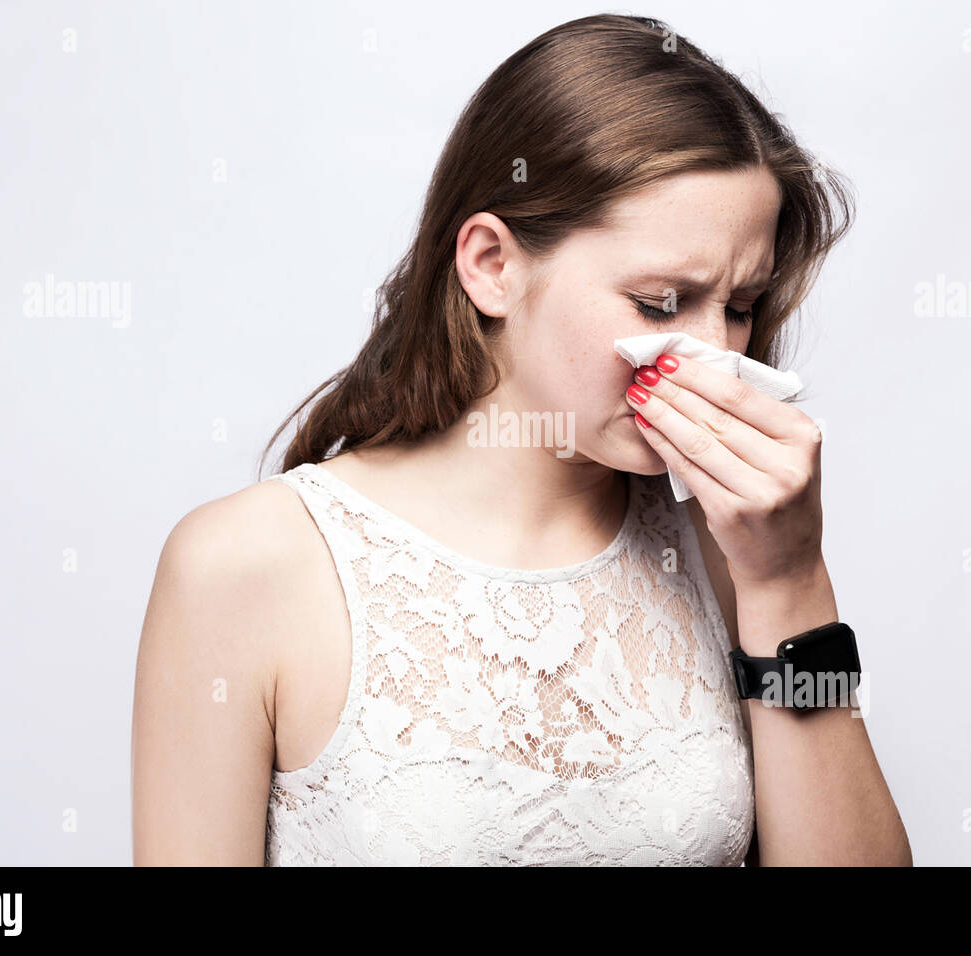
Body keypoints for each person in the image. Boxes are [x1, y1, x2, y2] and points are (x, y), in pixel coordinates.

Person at [131, 13, 912, 866]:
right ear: (493, 266)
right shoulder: (245, 564)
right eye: (659, 303)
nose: (714, 358)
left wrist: (792, 587)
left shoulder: (733, 544)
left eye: (739, 305)